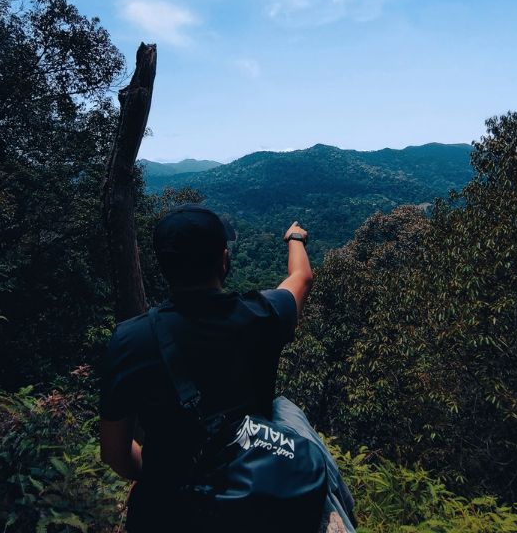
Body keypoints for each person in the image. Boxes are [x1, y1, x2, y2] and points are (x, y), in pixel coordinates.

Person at [99, 204, 354, 532]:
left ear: (163, 266)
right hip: (254, 490)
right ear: (223, 259)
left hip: (163, 511)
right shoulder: (261, 315)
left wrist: (163, 473)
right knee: (285, 409)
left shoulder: (130, 340)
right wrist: (295, 238)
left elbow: (115, 454)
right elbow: (301, 276)